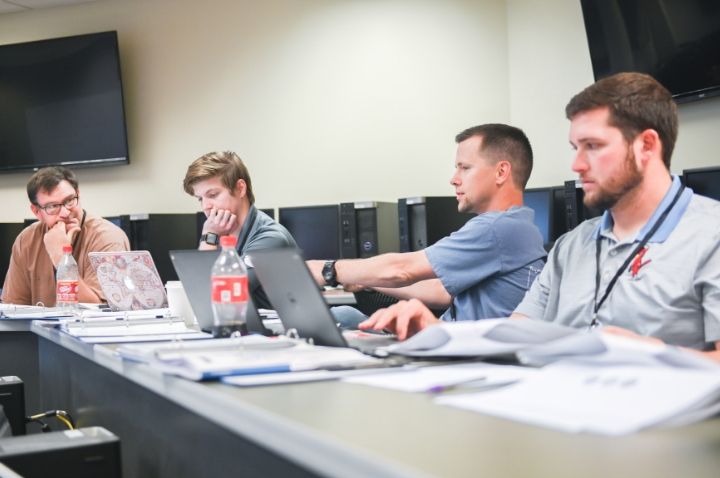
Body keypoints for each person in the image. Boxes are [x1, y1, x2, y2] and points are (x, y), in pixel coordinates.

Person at [363, 72, 720, 362]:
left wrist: (650, 354)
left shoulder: (710, 236)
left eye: (593, 146)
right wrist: (442, 334)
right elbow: (518, 329)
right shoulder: (573, 245)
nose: (577, 164)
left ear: (646, 146)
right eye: (574, 148)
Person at [307, 124, 547, 326]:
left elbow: (401, 269)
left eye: (465, 167)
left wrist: (328, 270)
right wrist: (366, 281)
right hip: (451, 341)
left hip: (460, 357)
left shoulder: (498, 228)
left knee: (340, 318)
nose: (454, 179)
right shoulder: (520, 225)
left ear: (501, 172)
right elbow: (441, 291)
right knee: (345, 316)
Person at [183, 151, 297, 309]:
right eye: (200, 199)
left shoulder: (270, 238)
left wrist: (209, 236)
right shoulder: (223, 235)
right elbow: (198, 294)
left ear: (240, 188)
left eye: (213, 195)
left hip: (282, 332)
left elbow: (220, 297)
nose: (205, 206)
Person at [2, 166, 130, 306]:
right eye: (52, 206)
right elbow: (13, 308)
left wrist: (61, 257)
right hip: (37, 328)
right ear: (37, 212)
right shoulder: (25, 240)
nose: (65, 212)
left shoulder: (108, 237)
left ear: (78, 195)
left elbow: (99, 311)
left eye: (69, 200)